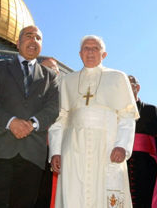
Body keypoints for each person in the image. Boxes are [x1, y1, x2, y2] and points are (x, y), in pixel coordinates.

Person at [49, 35, 138, 208]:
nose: (90, 52)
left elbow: (127, 116)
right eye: (86, 49)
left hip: (107, 146)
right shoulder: (67, 81)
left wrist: (122, 145)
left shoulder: (118, 77)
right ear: (80, 54)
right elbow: (59, 119)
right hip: (73, 150)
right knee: (74, 195)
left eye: (95, 48)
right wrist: (55, 151)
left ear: (104, 54)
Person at [0, 25, 59, 207]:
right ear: (18, 43)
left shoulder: (50, 77)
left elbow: (53, 108)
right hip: (0, 150)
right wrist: (11, 122)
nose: (33, 41)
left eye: (38, 38)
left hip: (31, 154)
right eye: (28, 36)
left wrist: (32, 124)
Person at [127, 75, 157, 208]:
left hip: (146, 165)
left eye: (130, 84)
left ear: (137, 88)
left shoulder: (151, 110)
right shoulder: (116, 111)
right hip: (123, 164)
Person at [35, 57, 61, 208]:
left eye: (52, 69)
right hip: (31, 153)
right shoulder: (28, 95)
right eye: (43, 70)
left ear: (58, 73)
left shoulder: (68, 95)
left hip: (55, 154)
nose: (48, 74)